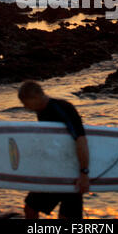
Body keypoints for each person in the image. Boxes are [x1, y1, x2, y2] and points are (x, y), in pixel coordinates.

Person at [18, 80, 90, 219]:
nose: (25, 107)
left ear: (36, 97)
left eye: (26, 103)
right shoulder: (41, 112)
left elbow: (80, 139)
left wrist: (84, 173)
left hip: (71, 173)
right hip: (54, 171)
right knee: (30, 209)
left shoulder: (61, 108)